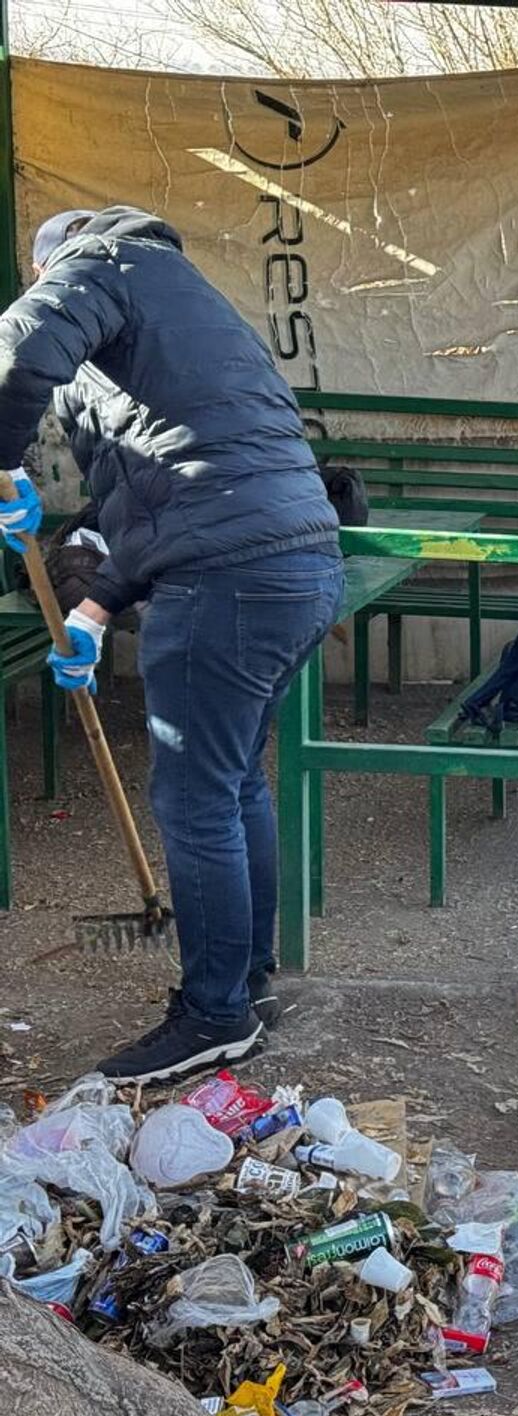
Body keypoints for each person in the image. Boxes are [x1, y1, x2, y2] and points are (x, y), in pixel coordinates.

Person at [0, 205, 342, 1084]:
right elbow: (173, 489)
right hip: (296, 563)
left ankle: (214, 1013)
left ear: (50, 265)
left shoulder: (97, 266)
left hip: (228, 585)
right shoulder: (184, 301)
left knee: (196, 802)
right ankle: (246, 981)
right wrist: (97, 606)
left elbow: (16, 354)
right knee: (230, 787)